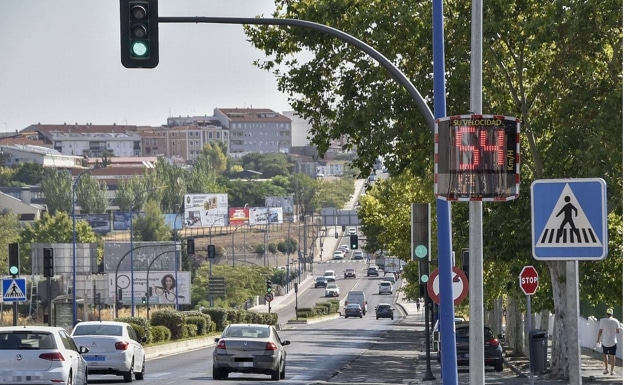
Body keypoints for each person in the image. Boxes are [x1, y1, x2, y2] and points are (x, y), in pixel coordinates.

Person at [596, 308, 620, 375]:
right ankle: (612, 371)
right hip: (613, 341)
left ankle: (606, 369)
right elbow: (618, 331)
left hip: (605, 341)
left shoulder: (602, 321)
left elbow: (600, 331)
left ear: (606, 314)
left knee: (605, 355)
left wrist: (598, 339)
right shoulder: (616, 321)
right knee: (613, 356)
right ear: (612, 314)